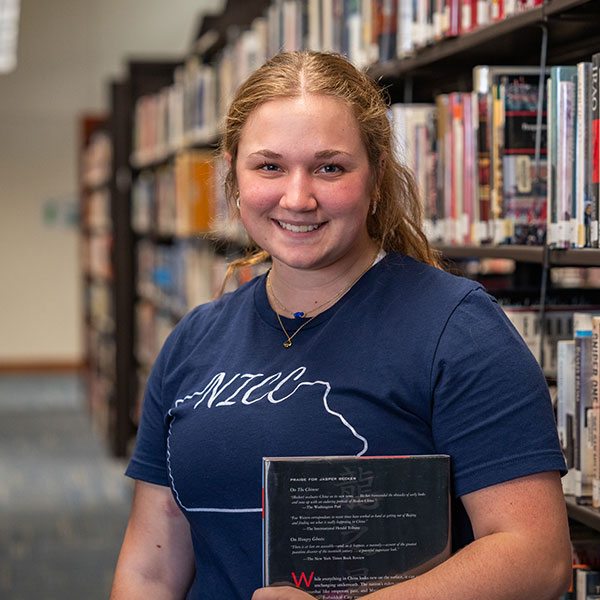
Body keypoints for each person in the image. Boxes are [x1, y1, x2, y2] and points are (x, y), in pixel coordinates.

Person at [110, 51, 571, 600]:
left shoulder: (458, 329)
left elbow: (536, 557)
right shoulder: (194, 339)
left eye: (330, 167)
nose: (298, 197)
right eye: (269, 166)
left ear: (375, 177)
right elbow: (150, 570)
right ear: (233, 175)